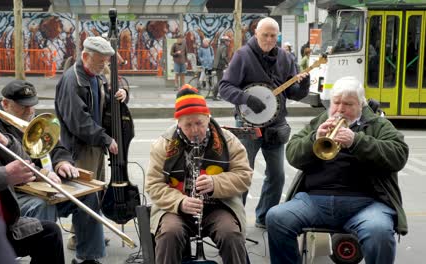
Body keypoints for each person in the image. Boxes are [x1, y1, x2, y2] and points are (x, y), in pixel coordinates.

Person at [266, 76, 409, 264]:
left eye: (348, 104)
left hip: (366, 203)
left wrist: (356, 141)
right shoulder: (320, 121)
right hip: (315, 201)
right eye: (336, 103)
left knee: (379, 232)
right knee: (276, 218)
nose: (340, 109)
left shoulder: (378, 125)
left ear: (361, 105)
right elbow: (292, 153)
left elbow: (399, 155)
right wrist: (314, 139)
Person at [0, 79, 106, 264]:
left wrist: (62, 162)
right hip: (14, 191)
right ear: (5, 104)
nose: (30, 111)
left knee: (89, 195)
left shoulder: (30, 117)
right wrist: (42, 173)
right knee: (41, 205)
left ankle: (89, 258)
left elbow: (54, 145)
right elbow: (0, 165)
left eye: (32, 105)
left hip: (45, 181)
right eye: (23, 107)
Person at [0, 68, 64, 263]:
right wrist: (4, 175)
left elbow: (26, 161)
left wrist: (6, 143)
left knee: (50, 234)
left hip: (2, 225)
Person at [219, 17, 310, 228]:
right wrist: (247, 98)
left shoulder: (286, 58)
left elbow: (293, 93)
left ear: (277, 36)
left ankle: (265, 216)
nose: (269, 40)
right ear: (256, 34)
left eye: (273, 36)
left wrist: (303, 86)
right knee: (242, 174)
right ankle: (235, 218)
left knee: (277, 175)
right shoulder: (243, 55)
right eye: (264, 35)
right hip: (247, 125)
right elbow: (224, 87)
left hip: (276, 126)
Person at [146, 84, 252, 264]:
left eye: (199, 123)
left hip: (218, 205)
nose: (195, 130)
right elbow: (153, 185)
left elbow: (244, 176)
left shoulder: (228, 140)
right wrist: (180, 202)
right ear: (178, 122)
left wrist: (215, 183)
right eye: (188, 125)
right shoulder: (163, 144)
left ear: (208, 118)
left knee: (231, 235)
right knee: (169, 234)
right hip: (176, 208)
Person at [55, 36, 129, 183]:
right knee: (86, 194)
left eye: (106, 60)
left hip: (95, 144)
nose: (104, 65)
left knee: (97, 191)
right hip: (81, 150)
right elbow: (79, 122)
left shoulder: (96, 76)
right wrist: (105, 139)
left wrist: (123, 95)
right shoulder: (73, 81)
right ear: (85, 56)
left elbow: (106, 103)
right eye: (100, 60)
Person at [212, 35, 231, 101]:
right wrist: (228, 63)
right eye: (228, 41)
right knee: (220, 81)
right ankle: (214, 95)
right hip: (219, 66)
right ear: (224, 41)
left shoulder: (220, 46)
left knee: (220, 80)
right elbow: (223, 56)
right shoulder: (224, 47)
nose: (229, 43)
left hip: (217, 65)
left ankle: (218, 94)